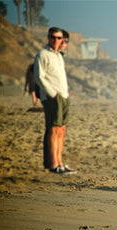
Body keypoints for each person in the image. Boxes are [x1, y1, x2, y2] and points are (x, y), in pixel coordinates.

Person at [34, 27, 75, 174]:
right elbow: (39, 77)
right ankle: (54, 164)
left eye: (59, 38)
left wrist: (64, 94)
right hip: (53, 98)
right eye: (54, 37)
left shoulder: (58, 55)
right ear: (48, 38)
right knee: (53, 129)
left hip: (63, 96)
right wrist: (52, 94)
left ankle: (60, 162)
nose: (57, 40)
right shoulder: (42, 55)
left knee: (61, 129)